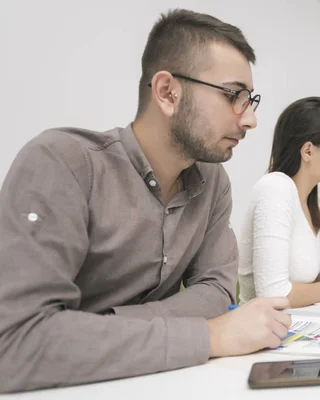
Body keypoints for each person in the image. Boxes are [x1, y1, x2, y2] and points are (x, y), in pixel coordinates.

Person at [0, 10, 292, 393]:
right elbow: (17, 344)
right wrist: (208, 337)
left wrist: (95, 326)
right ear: (168, 92)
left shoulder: (213, 180)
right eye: (233, 95)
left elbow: (218, 292)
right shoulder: (62, 162)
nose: (250, 120)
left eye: (250, 99)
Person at [238, 97, 320, 308]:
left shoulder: (305, 202)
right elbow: (273, 294)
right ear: (308, 151)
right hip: (263, 333)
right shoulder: (275, 188)